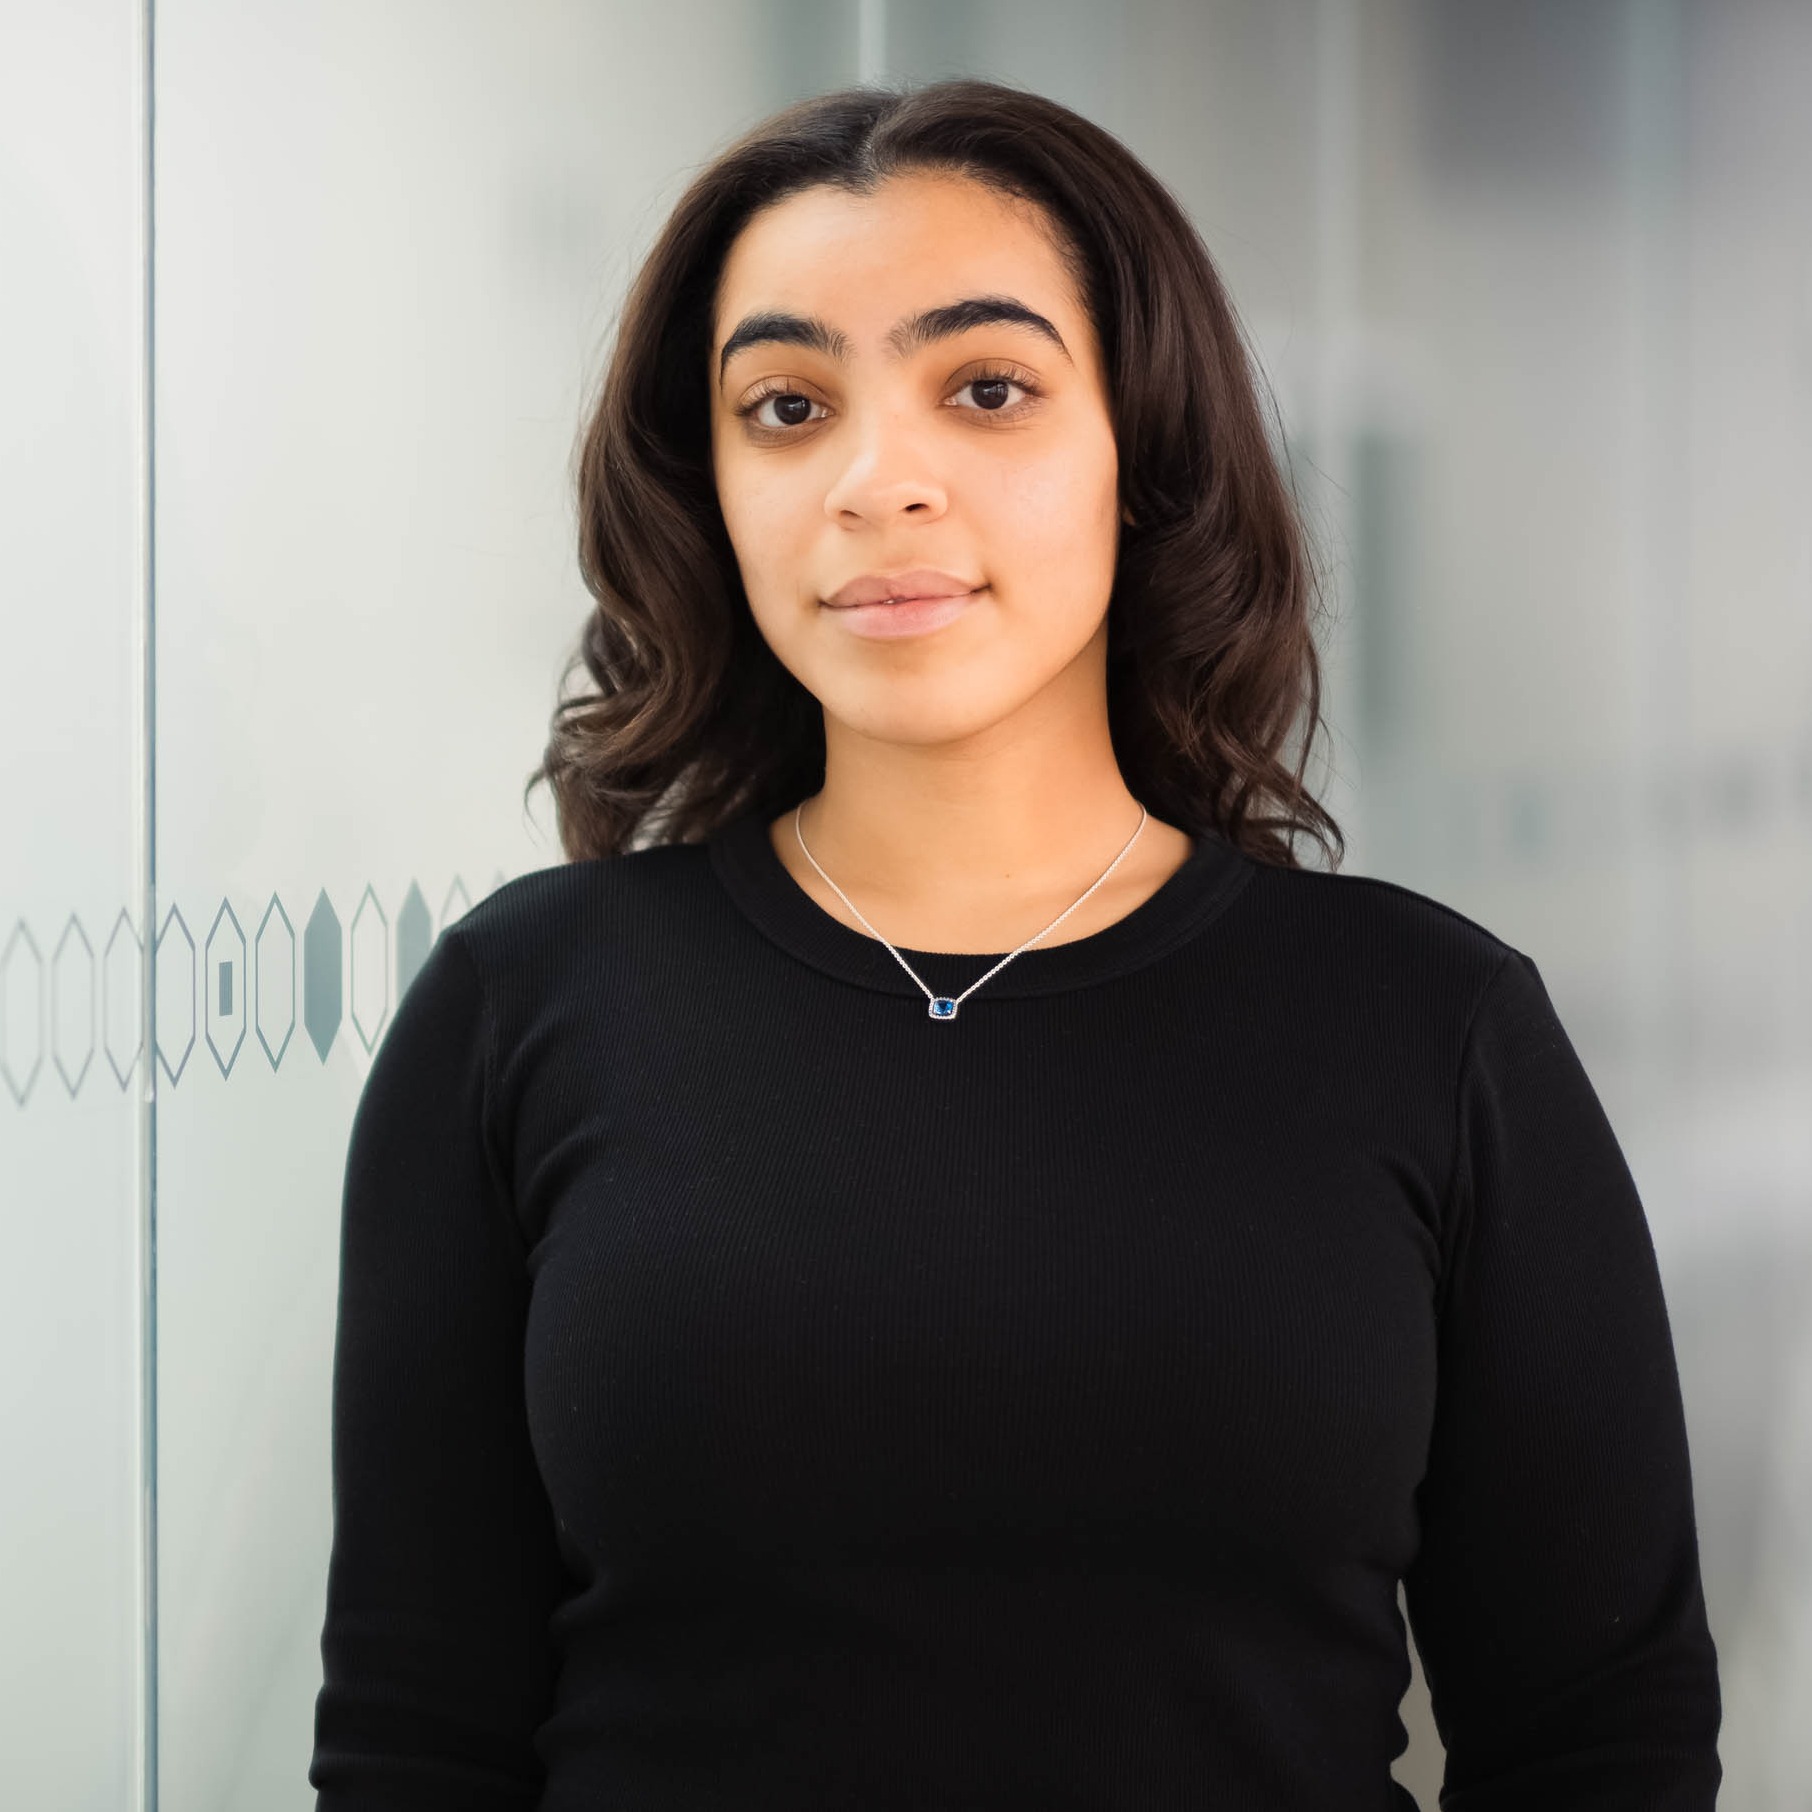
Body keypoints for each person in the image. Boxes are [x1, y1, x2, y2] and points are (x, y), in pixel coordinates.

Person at [308, 76, 1722, 1810]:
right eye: (786, 406)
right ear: (715, 485)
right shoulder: (519, 1014)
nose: (875, 481)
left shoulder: (1430, 1029)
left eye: (986, 390)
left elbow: (1603, 1741)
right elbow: (412, 1743)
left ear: (1144, 454)